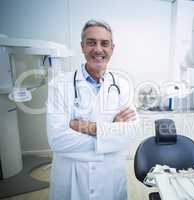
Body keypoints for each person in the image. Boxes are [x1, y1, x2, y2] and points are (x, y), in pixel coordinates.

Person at [47, 19, 138, 200]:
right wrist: (111, 133)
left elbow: (130, 132)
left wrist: (88, 128)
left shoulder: (122, 85)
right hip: (72, 177)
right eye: (91, 43)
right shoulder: (59, 84)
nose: (98, 49)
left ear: (112, 48)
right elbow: (57, 140)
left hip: (109, 177)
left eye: (104, 43)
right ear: (82, 47)